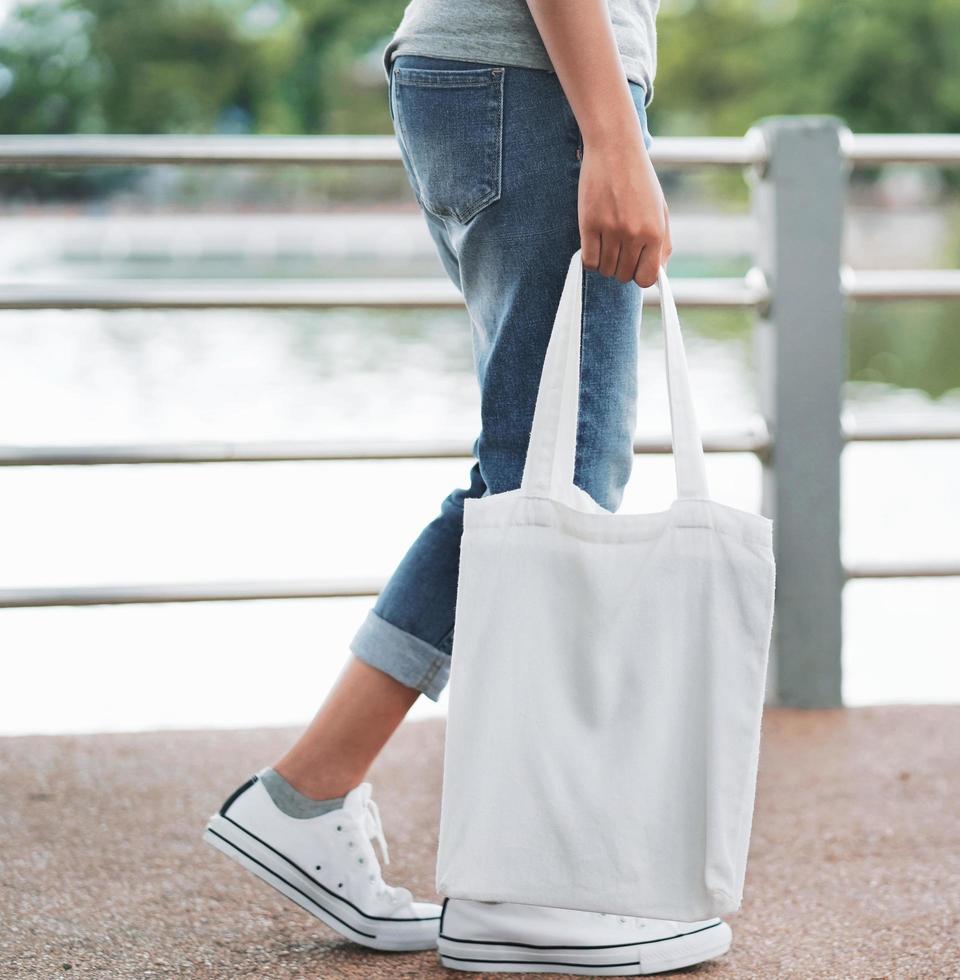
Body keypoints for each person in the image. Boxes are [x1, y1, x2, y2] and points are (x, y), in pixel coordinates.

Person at [202, 1, 734, 973]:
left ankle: (316, 794)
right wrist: (612, 133)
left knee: (527, 482)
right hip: (542, 82)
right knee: (553, 482)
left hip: (502, 79)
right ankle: (517, 883)